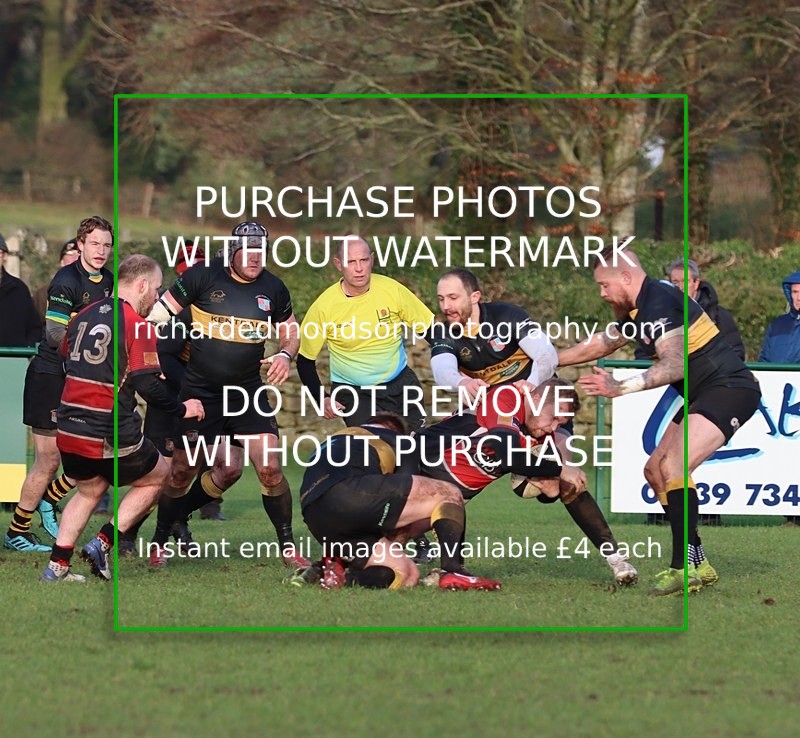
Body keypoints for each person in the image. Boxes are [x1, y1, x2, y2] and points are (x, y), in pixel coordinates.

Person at [557, 245, 761, 596]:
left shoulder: (660, 303)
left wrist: (620, 387)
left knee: (674, 467)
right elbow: (602, 344)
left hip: (729, 389)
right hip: (704, 394)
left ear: (625, 276)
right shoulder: (640, 308)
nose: (602, 293)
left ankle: (683, 569)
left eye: (604, 285)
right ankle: (698, 560)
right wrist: (547, 360)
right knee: (655, 471)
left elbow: (675, 364)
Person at [429, 268, 637, 585]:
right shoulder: (445, 331)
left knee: (568, 481)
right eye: (442, 298)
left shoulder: (507, 316)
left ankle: (617, 559)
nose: (447, 306)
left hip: (538, 408)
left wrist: (532, 383)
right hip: (492, 413)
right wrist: (461, 382)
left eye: (453, 297)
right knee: (449, 488)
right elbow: (442, 369)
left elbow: (545, 355)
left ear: (475, 297)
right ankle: (445, 563)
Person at [146, 222, 307, 567]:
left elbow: (291, 329)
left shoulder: (274, 288)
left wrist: (285, 354)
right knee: (181, 472)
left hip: (247, 394)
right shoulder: (202, 276)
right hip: (201, 394)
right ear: (233, 251)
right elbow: (157, 315)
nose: (255, 258)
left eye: (260, 251)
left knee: (270, 468)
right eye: (248, 251)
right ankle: (159, 541)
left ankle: (288, 548)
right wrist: (144, 357)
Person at [40, 255, 205, 581]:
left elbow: (66, 354)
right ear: (141, 285)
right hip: (105, 425)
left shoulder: (83, 314)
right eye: (156, 289)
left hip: (69, 425)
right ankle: (102, 543)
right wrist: (183, 408)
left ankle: (56, 568)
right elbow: (147, 386)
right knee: (159, 476)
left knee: (89, 491)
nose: (157, 298)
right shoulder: (137, 324)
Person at [4, 216, 113, 552]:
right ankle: (17, 532)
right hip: (50, 378)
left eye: (107, 245)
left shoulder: (109, 280)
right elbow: (53, 334)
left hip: (81, 377)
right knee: (49, 460)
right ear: (80, 245)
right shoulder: (66, 280)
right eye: (94, 243)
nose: (101, 251)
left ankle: (49, 500)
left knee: (95, 450)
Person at [298, 413, 501, 591]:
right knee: (448, 492)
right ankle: (454, 570)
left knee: (406, 574)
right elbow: (408, 485)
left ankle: (337, 576)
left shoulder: (334, 440)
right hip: (351, 492)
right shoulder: (397, 439)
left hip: (314, 515)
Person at [644, 257, 744, 526]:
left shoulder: (719, 316)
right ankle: (681, 531)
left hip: (718, 395)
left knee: (675, 466)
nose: (678, 287)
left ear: (696, 283)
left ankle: (692, 539)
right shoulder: (659, 315)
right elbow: (646, 350)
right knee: (654, 469)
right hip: (691, 396)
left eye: (683, 282)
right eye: (673, 282)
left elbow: (736, 355)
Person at [297, 235, 435, 430]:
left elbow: (433, 332)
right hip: (354, 393)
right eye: (351, 262)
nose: (359, 268)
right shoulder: (323, 307)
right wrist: (321, 398)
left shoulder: (392, 290)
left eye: (363, 260)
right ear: (338, 264)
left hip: (401, 385)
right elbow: (304, 361)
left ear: (372, 259)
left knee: (414, 446)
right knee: (374, 445)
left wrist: (459, 366)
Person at [759, 269, 800, 525]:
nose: (798, 297)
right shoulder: (778, 326)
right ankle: (790, 514)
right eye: (794, 292)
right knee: (782, 457)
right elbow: (765, 359)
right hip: (776, 406)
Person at [0, 233, 41, 348]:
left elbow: (34, 328)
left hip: (15, 357)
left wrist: (26, 349)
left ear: (4, 256)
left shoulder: (20, 289)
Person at [32, 239, 81, 326]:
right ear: (62, 262)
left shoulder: (98, 289)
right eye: (70, 254)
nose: (76, 258)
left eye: (79, 254)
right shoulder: (43, 294)